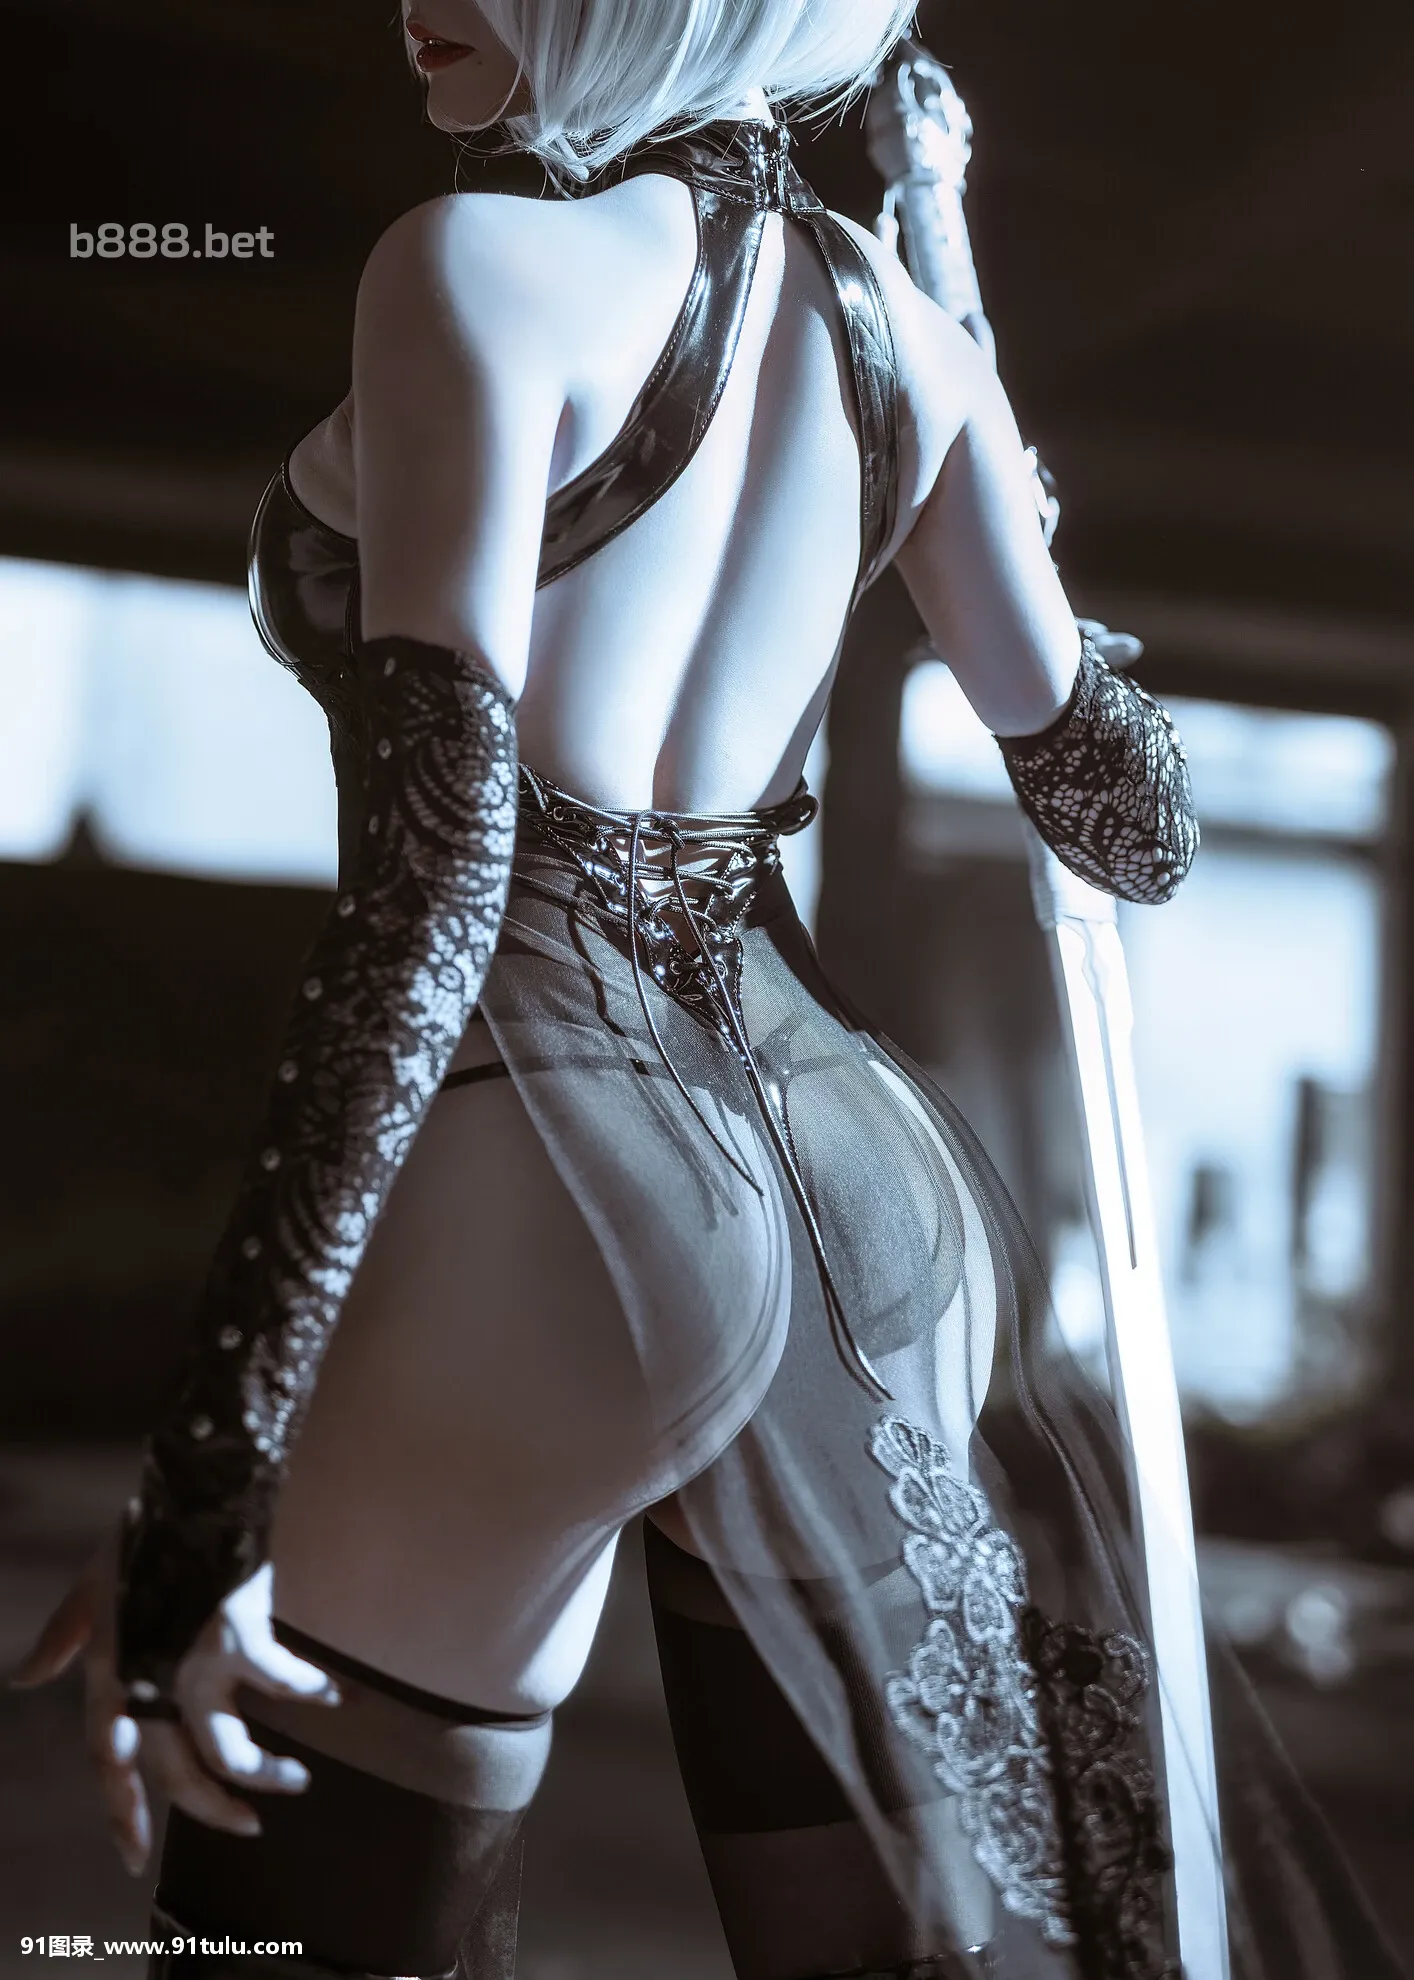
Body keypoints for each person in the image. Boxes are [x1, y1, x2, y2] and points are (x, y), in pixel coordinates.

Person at [6, 5, 1397, 1979]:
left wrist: (217, 1456)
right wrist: (1031, 567)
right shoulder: (915, 344)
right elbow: (1129, 821)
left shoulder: (474, 267)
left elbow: (436, 883)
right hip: (859, 1182)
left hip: (550, 1149)